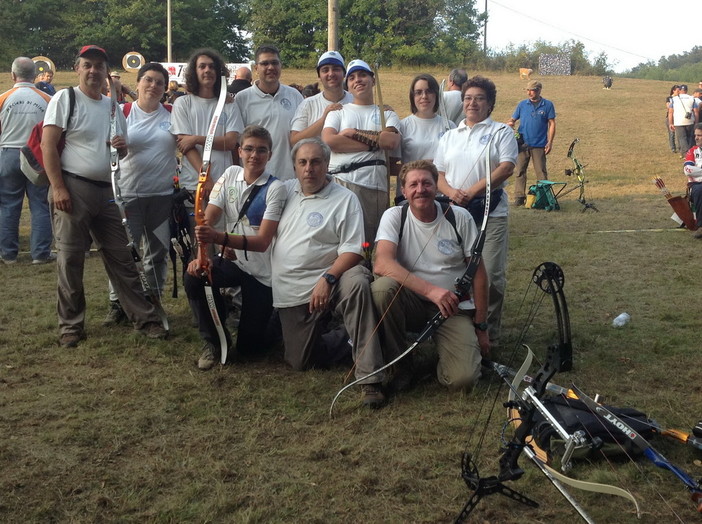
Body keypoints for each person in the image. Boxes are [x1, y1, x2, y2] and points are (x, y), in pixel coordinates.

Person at [41, 45, 166, 347]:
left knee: (123, 257)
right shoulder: (64, 98)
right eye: (87, 65)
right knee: (71, 259)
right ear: (78, 68)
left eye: (99, 66)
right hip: (73, 188)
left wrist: (121, 148)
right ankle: (71, 326)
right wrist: (58, 188)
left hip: (109, 190)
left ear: (105, 72)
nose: (93, 71)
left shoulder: (112, 106)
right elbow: (48, 145)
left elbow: (118, 151)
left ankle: (144, 318)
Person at [271, 137, 387, 408]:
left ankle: (370, 378)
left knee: (357, 282)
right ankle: (355, 332)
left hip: (335, 276)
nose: (309, 168)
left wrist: (328, 278)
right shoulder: (283, 192)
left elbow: (354, 250)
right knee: (301, 361)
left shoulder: (344, 198)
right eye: (302, 162)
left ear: (327, 165)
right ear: (294, 166)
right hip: (293, 289)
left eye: (316, 162)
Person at [372, 160, 489, 390]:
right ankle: (401, 365)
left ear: (436, 187)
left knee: (463, 380)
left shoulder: (460, 217)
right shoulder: (394, 215)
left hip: (451, 308)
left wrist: (481, 327)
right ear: (403, 191)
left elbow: (480, 274)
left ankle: (436, 362)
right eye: (413, 184)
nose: (420, 189)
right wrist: (431, 291)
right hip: (412, 302)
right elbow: (381, 263)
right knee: (382, 288)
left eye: (427, 183)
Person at [185, 125, 285, 369]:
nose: (254, 155)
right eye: (248, 149)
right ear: (239, 151)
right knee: (195, 277)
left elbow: (262, 243)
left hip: (263, 274)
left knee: (251, 350)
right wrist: (201, 257)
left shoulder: (275, 189)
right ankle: (214, 342)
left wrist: (220, 238)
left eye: (261, 150)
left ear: (270, 155)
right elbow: (208, 219)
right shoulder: (230, 174)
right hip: (233, 261)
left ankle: (278, 320)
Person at [435, 75, 518, 349]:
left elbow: (506, 167)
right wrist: (451, 193)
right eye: (468, 98)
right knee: (456, 272)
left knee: (491, 274)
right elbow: (440, 175)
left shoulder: (501, 132)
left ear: (490, 104)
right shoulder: (449, 136)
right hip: (455, 212)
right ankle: (459, 331)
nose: (472, 103)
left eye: (479, 98)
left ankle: (488, 335)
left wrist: (472, 190)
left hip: (489, 214)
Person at [104, 62, 177, 325]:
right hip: (128, 196)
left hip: (161, 196)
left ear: (165, 89)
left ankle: (153, 299)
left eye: (159, 82)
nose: (153, 86)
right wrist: (114, 145)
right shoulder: (122, 112)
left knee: (156, 252)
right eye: (148, 80)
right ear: (137, 83)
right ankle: (118, 304)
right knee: (126, 254)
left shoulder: (172, 113)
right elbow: (105, 148)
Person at [322, 59, 401, 244]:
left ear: (373, 80)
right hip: (341, 182)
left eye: (363, 75)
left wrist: (354, 133)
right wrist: (375, 142)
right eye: (352, 77)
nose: (358, 80)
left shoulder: (386, 113)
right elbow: (331, 141)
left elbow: (391, 141)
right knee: (339, 240)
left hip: (374, 186)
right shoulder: (339, 112)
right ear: (347, 85)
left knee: (369, 243)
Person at [0, 57, 54, 265]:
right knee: (40, 205)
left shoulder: (3, 98)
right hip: (36, 154)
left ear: (13, 75)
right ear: (35, 75)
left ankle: (8, 254)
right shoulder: (47, 99)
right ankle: (40, 254)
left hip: (8, 153)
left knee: (8, 206)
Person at [170, 48, 242, 194]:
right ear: (194, 72)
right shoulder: (182, 103)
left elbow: (230, 142)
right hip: (194, 184)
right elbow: (185, 145)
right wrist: (206, 178)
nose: (207, 70)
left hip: (224, 184)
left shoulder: (229, 104)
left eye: (212, 66)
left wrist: (196, 139)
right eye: (202, 66)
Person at [234, 45, 303, 180]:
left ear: (280, 66)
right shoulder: (242, 99)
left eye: (274, 63)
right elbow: (237, 145)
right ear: (256, 68)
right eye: (265, 63)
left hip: (289, 179)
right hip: (255, 181)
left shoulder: (294, 96)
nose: (270, 67)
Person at [395, 73, 455, 197]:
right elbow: (391, 167)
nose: (424, 96)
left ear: (436, 95)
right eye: (418, 92)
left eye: (429, 91)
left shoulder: (449, 126)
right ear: (412, 97)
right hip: (412, 195)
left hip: (441, 195)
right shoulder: (403, 126)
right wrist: (422, 167)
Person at [506, 80, 556, 207]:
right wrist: (510, 123)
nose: (529, 92)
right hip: (523, 144)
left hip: (539, 144)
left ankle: (543, 198)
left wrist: (549, 142)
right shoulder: (522, 105)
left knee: (541, 172)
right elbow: (513, 119)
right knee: (520, 171)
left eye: (532, 90)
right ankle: (519, 197)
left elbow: (552, 124)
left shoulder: (547, 105)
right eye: (527, 90)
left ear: (539, 90)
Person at [290, 51, 353, 145]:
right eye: (325, 70)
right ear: (319, 76)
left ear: (344, 74)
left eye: (336, 69)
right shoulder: (307, 104)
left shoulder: (355, 101)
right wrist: (323, 120)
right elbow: (294, 141)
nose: (331, 74)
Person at [682, 123, 702, 238]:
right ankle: (701, 226)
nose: (696, 138)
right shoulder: (692, 151)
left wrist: (698, 170)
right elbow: (688, 170)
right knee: (699, 191)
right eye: (695, 135)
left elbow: (694, 170)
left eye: (699, 135)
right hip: (697, 184)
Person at [668, 84, 698, 158]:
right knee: (689, 137)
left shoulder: (674, 99)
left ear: (680, 90)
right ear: (687, 90)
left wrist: (671, 123)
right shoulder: (692, 98)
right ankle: (690, 152)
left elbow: (670, 112)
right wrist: (696, 122)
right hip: (690, 121)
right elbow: (696, 112)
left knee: (682, 138)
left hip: (678, 121)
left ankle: (686, 154)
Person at [666, 85, 680, 154]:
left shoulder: (680, 98)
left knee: (679, 133)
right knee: (671, 133)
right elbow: (668, 107)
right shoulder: (669, 98)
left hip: (678, 117)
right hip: (670, 117)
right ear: (673, 91)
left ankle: (680, 147)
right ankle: (673, 148)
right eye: (677, 91)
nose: (679, 92)